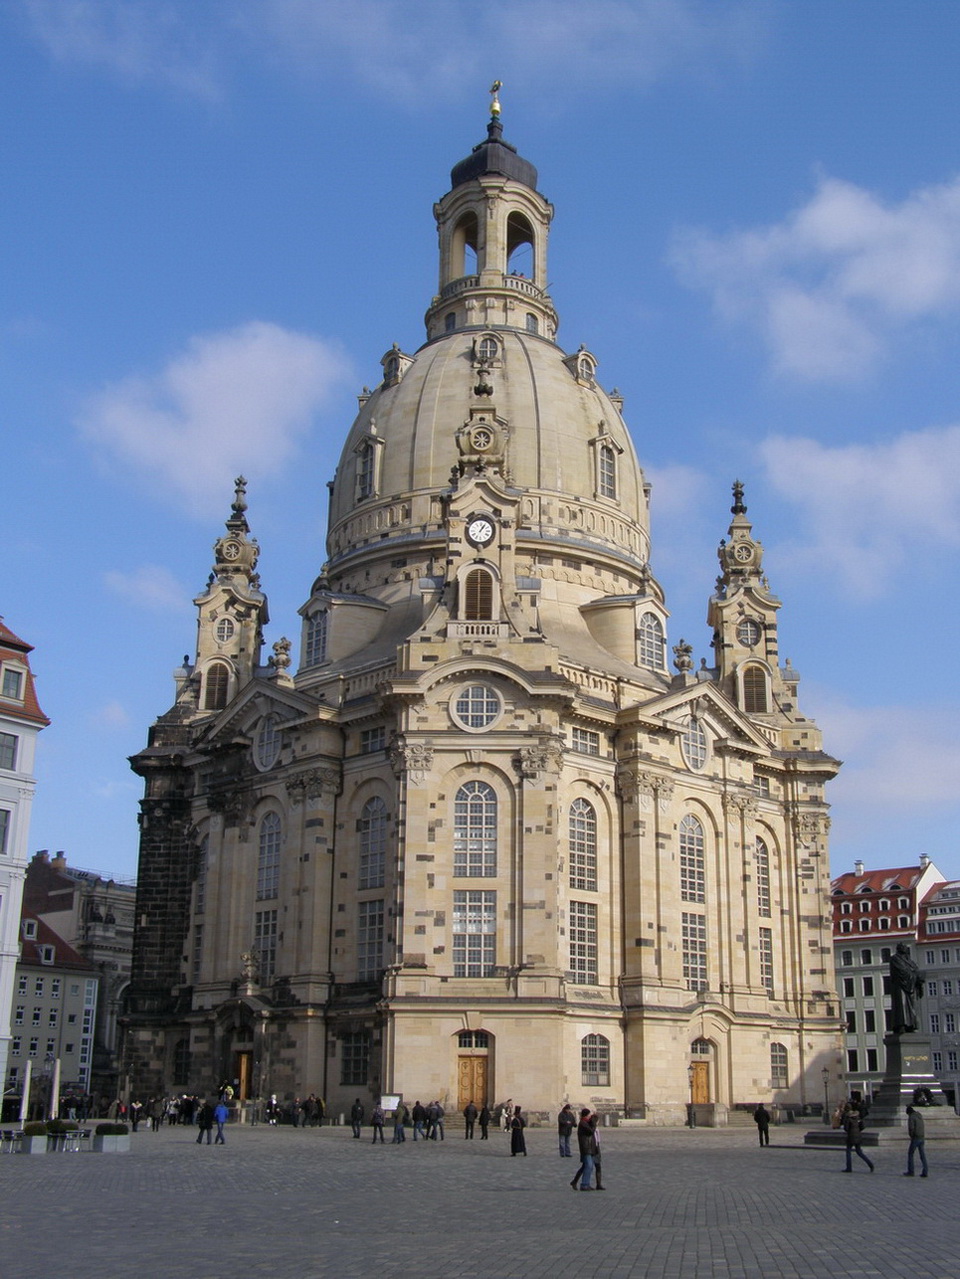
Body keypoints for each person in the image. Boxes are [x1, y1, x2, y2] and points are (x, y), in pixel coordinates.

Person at [890, 943, 924, 1034]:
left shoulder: (910, 961)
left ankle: (911, 1025)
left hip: (911, 987)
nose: (904, 948)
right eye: (902, 947)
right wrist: (914, 975)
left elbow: (916, 970)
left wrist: (918, 978)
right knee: (902, 1006)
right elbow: (902, 971)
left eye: (905, 947)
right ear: (898, 949)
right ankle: (901, 1025)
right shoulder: (895, 959)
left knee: (913, 1007)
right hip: (901, 987)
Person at [842, 1101, 874, 1173]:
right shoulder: (857, 1117)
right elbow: (862, 1126)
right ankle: (870, 1164)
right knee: (859, 1152)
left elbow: (846, 1128)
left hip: (851, 1136)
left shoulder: (848, 1117)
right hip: (858, 1136)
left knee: (848, 1152)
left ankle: (849, 1168)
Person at [572, 1109, 597, 1190]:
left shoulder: (586, 1122)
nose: (590, 1116)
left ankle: (576, 1182)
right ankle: (584, 1184)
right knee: (589, 1166)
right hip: (586, 1148)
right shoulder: (583, 1123)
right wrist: (594, 1123)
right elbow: (591, 1131)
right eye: (589, 1115)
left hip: (590, 1147)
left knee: (586, 1166)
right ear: (586, 1115)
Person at [904, 1105, 929, 1177]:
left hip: (915, 1138)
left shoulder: (911, 1117)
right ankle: (925, 1171)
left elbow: (911, 1128)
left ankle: (911, 1171)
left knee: (910, 1154)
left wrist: (911, 1135)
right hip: (922, 1137)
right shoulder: (919, 1116)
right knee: (922, 1155)